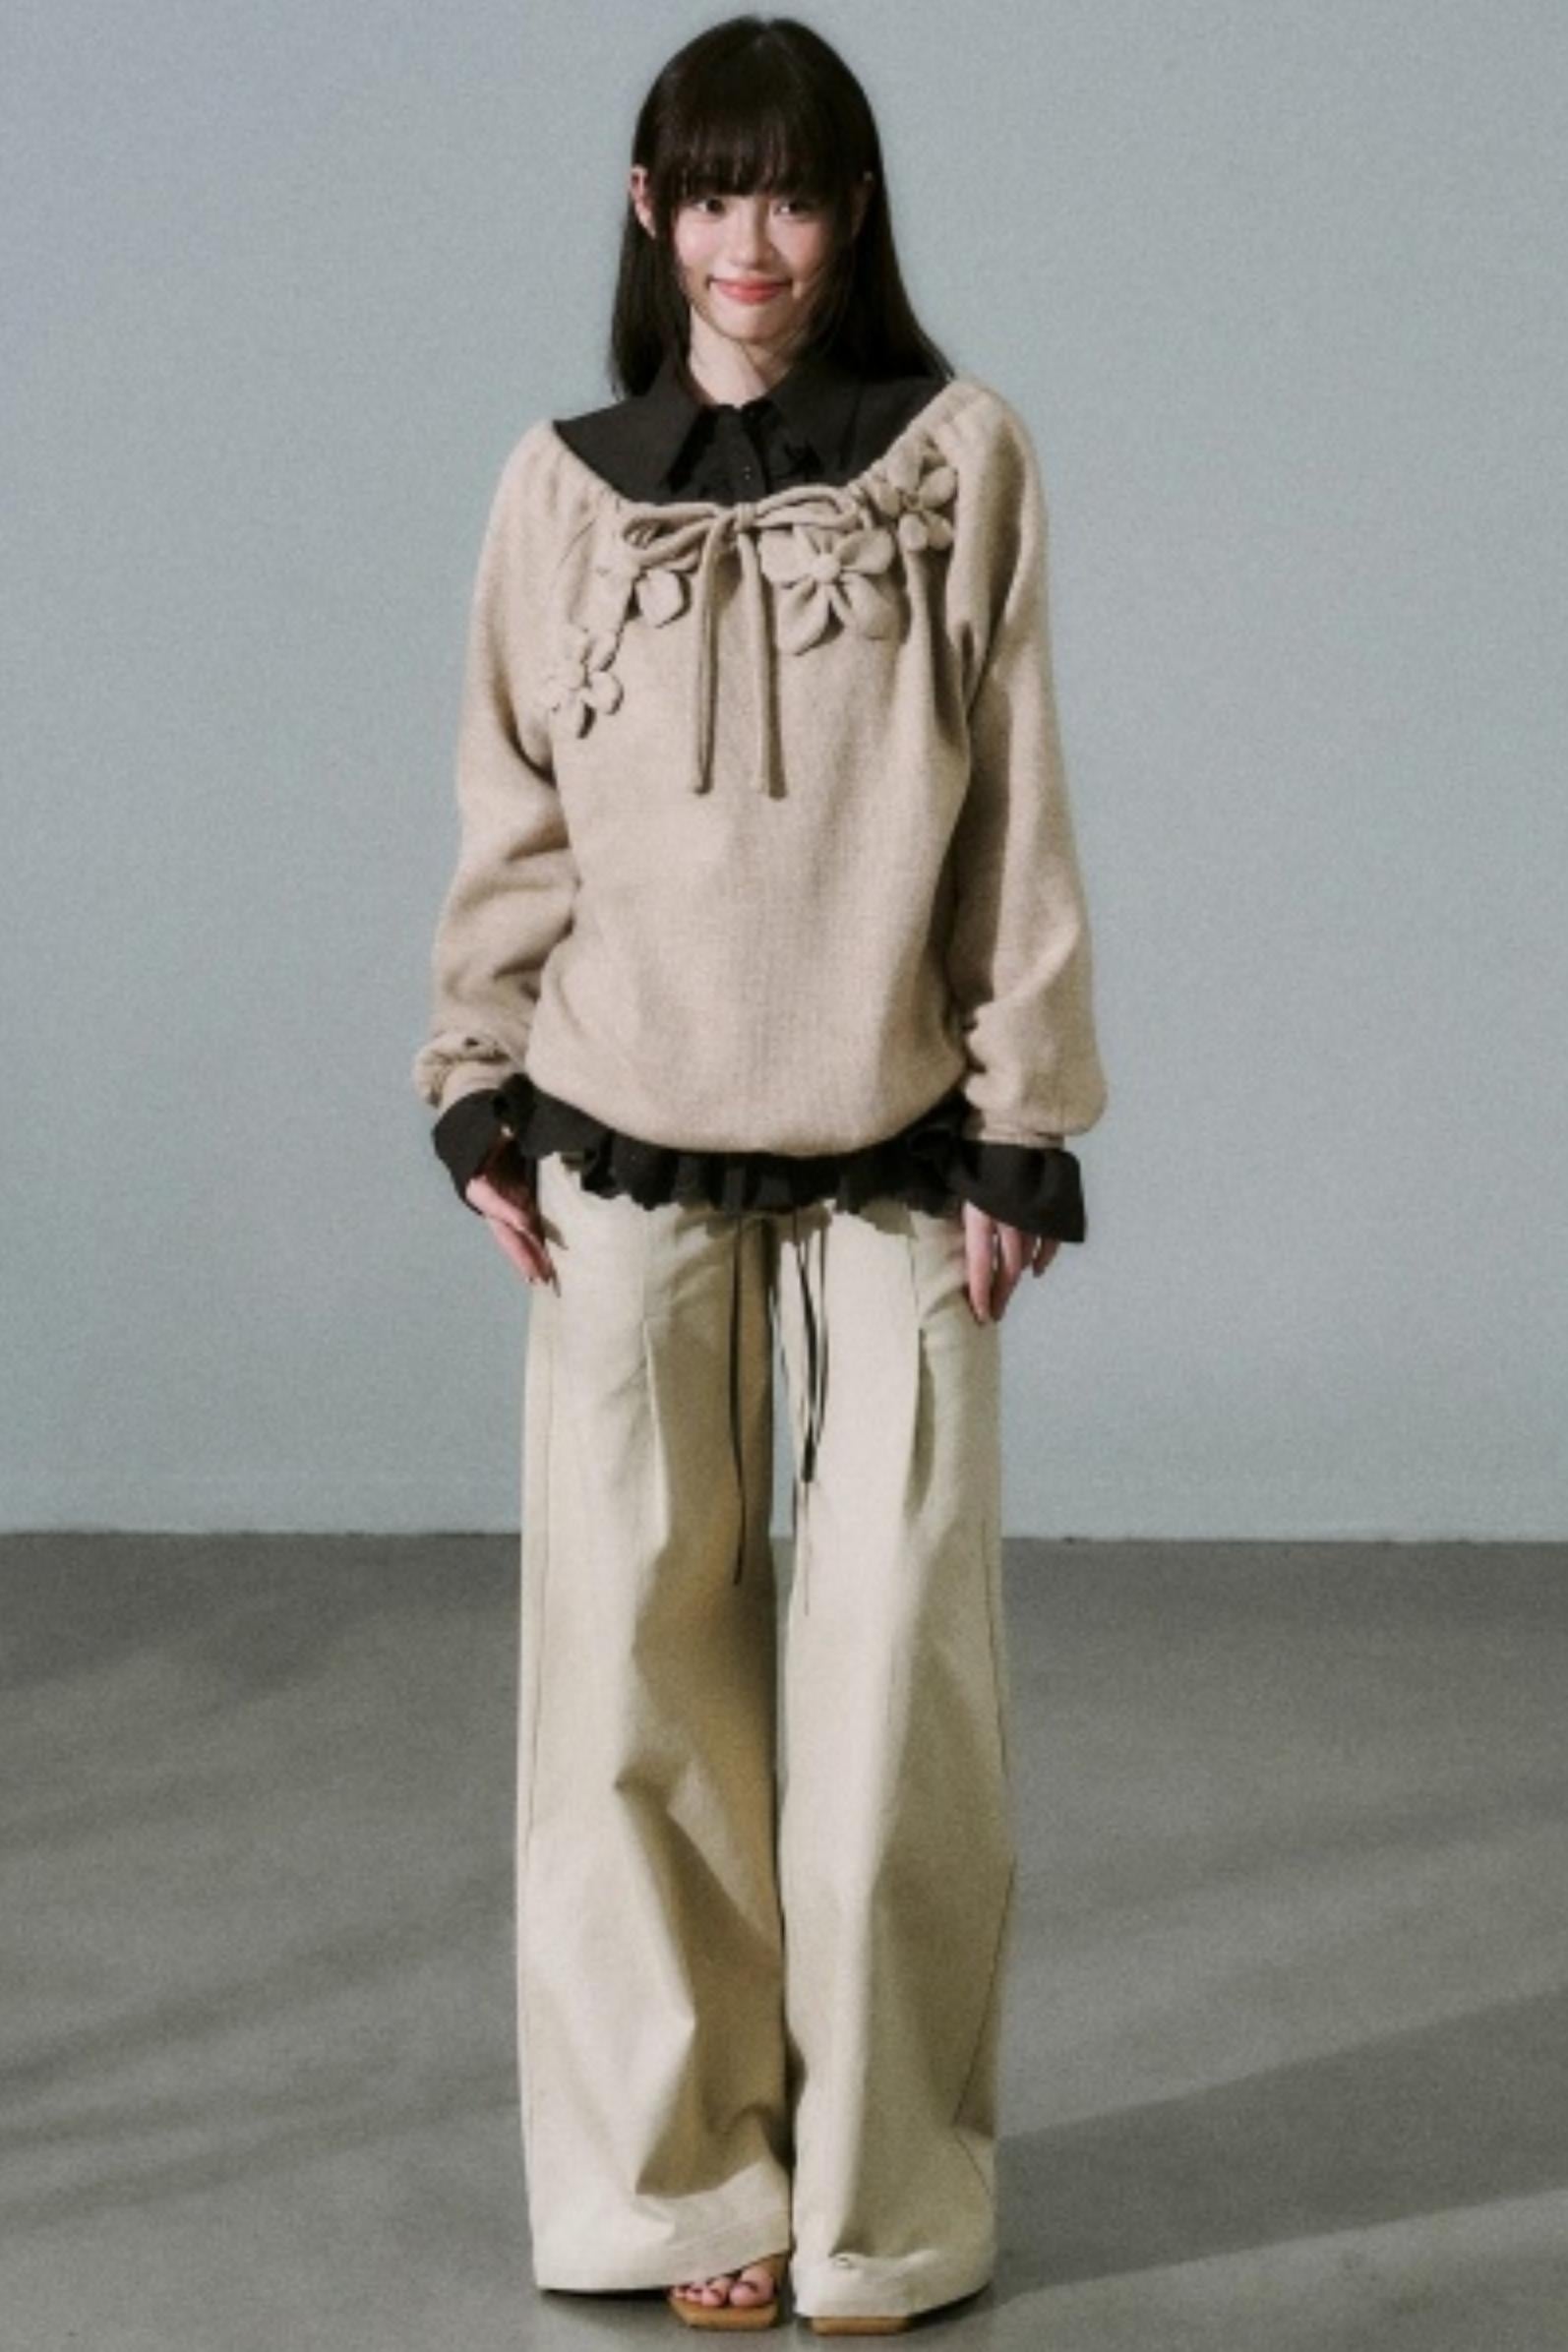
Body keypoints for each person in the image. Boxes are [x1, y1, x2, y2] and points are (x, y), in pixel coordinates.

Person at [411, 15, 1108, 2334]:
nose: (749, 242)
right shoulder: (558, 489)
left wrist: (1023, 1112)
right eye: (708, 194)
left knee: (895, 1696)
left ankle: (881, 2204)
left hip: (894, 1152)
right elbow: (508, 808)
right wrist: (472, 1071)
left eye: (791, 194)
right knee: (628, 1686)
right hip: (615, 1147)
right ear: (646, 210)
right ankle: (675, 2181)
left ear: (850, 213)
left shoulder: (955, 459)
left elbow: (1012, 794)